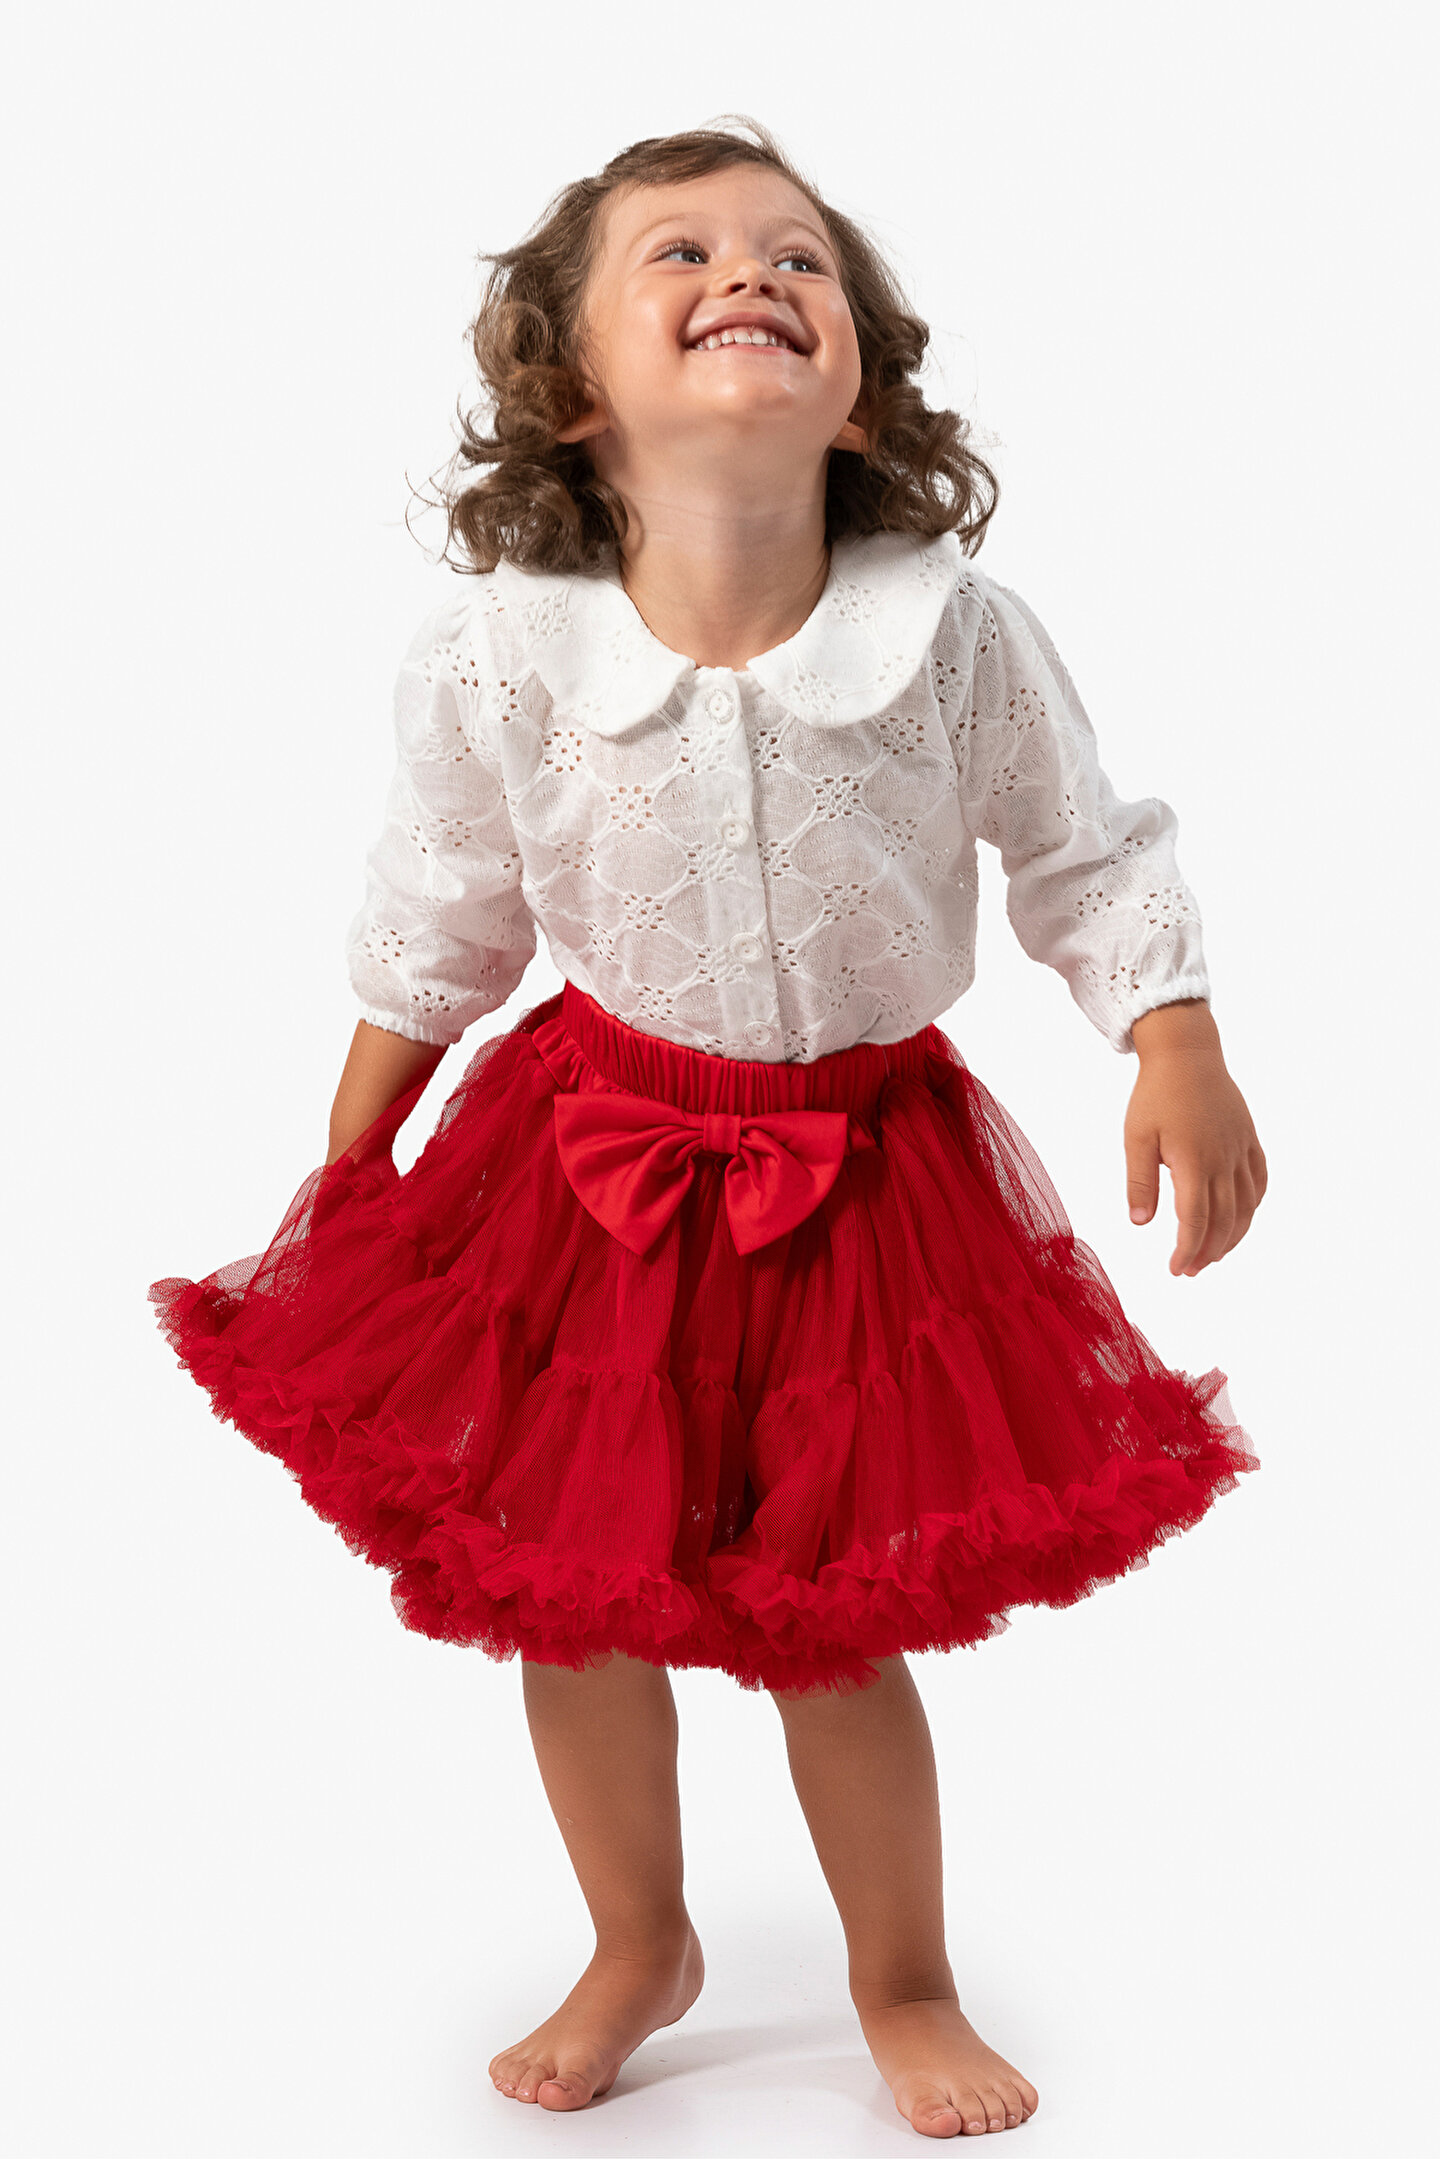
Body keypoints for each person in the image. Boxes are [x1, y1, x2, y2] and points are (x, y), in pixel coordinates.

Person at [149, 116, 1265, 2141]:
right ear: (576, 394)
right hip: (583, 1173)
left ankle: (903, 1975)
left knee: (829, 1622)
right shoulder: (505, 651)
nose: (748, 270)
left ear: (861, 393)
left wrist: (1170, 1033)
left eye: (796, 256)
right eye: (678, 252)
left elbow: (1083, 856)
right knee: (573, 1599)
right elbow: (441, 906)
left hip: (866, 1186)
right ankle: (638, 1940)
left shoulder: (956, 635)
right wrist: (353, 1164)